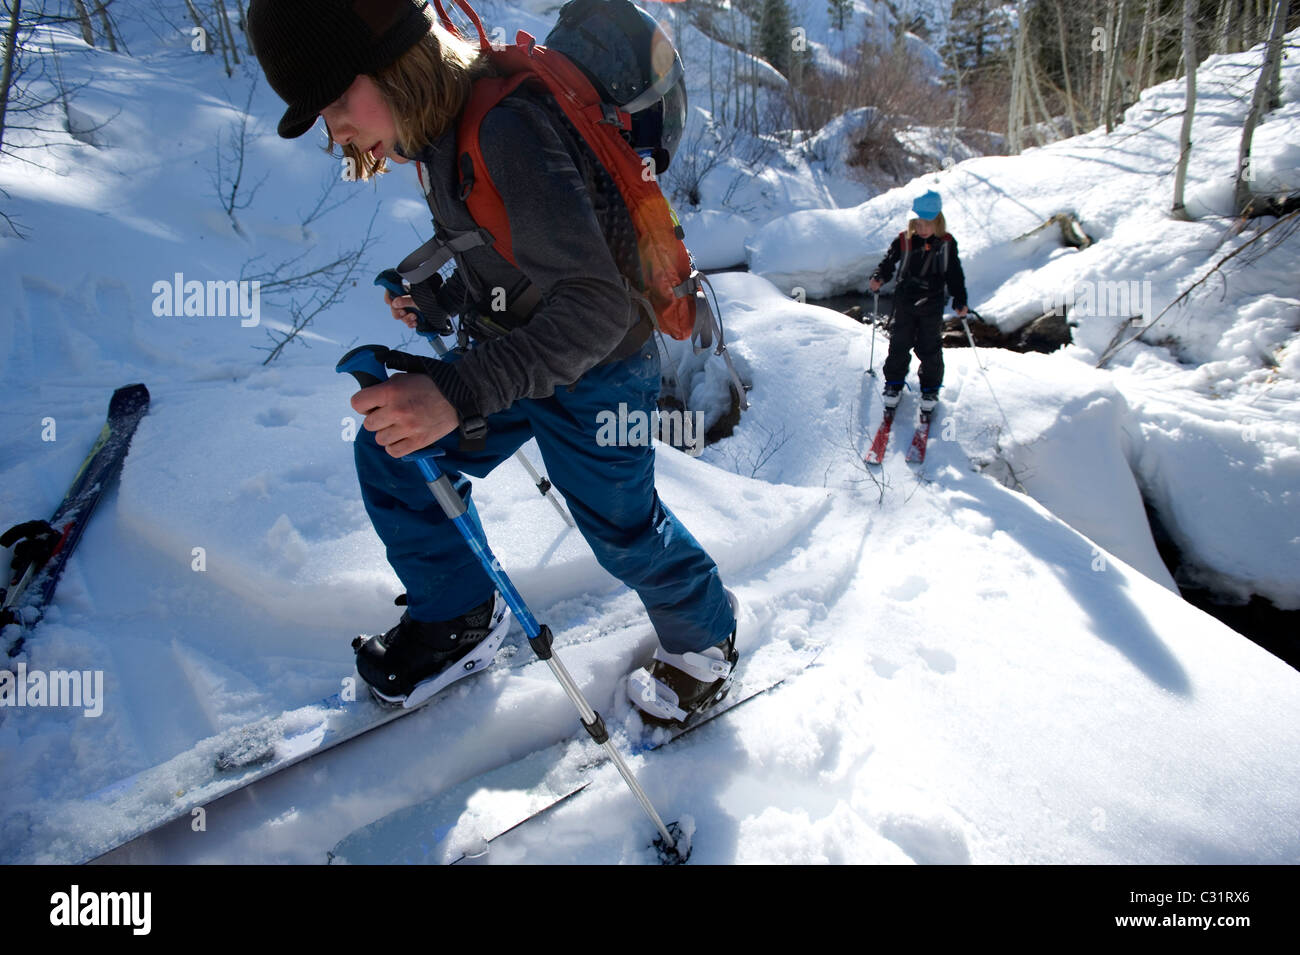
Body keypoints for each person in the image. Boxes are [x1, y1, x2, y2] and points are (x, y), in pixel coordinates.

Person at [246, 0, 736, 726]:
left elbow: (597, 307)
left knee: (622, 530)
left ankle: (707, 638)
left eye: (337, 99)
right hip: (518, 356)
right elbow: (510, 252)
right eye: (320, 115)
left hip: (601, 374)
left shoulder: (506, 126)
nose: (335, 129)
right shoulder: (435, 135)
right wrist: (441, 302)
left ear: (396, 62)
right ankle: (461, 620)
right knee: (395, 453)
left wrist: (455, 391)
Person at [868, 190, 969, 413]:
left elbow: (954, 274)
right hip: (904, 300)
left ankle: (930, 389)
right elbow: (888, 263)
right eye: (919, 223)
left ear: (938, 222)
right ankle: (893, 385)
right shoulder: (904, 240)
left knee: (929, 346)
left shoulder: (946, 244)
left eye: (928, 224)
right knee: (899, 343)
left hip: (932, 302)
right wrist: (879, 276)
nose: (922, 229)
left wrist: (960, 299)